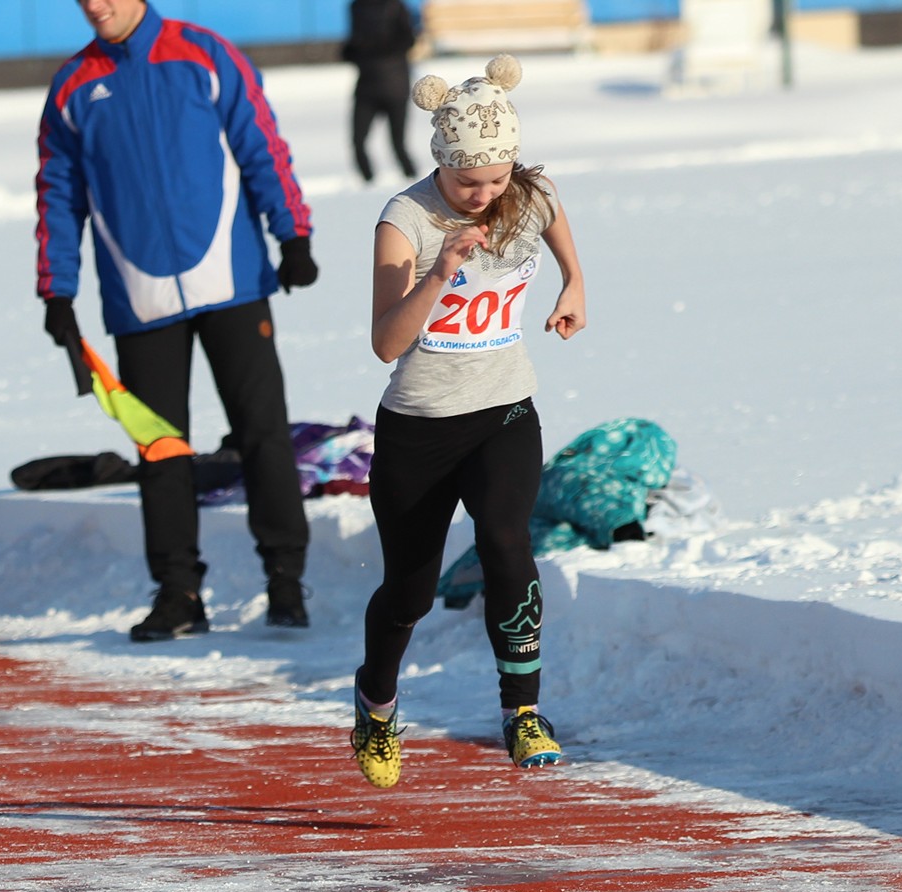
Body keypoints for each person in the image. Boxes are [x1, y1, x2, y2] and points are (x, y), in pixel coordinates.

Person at [38, 0, 319, 643]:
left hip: (233, 282)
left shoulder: (204, 53)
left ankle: (285, 579)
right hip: (138, 299)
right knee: (160, 448)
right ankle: (178, 591)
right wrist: (57, 292)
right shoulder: (73, 86)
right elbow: (57, 192)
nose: (94, 5)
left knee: (262, 431)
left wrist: (292, 233)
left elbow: (260, 143)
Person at [351, 57, 586, 789]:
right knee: (409, 592)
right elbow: (386, 341)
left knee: (505, 539)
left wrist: (575, 281)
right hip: (420, 426)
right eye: (467, 183)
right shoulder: (406, 219)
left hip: (504, 411)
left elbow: (552, 218)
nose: (484, 195)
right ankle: (376, 703)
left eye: (496, 180)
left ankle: (522, 711)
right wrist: (440, 270)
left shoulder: (529, 191)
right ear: (440, 165)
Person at [343, 0, 419, 184]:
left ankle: (412, 180)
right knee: (361, 141)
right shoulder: (357, 7)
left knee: (397, 143)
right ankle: (370, 182)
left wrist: (366, 49)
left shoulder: (394, 6)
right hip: (372, 87)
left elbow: (407, 40)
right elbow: (352, 45)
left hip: (392, 86)